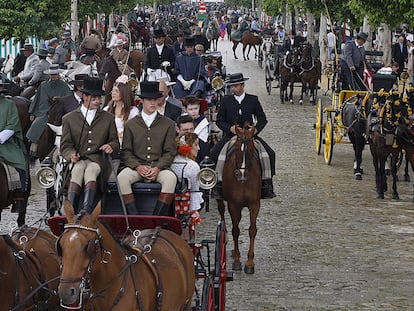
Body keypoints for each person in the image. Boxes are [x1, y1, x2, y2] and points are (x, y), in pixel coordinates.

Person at [209, 73, 276, 199]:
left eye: (235, 86)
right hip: (231, 136)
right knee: (214, 153)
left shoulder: (253, 99)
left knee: (270, 154)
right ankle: (217, 186)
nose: (232, 89)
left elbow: (262, 119)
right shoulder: (226, 100)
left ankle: (267, 184)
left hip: (250, 136)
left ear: (242, 85)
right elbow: (219, 120)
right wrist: (230, 128)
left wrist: (255, 130)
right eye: (231, 86)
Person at [117, 81, 177, 216]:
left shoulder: (168, 124)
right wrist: (138, 166)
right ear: (142, 101)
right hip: (137, 167)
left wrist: (157, 167)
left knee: (171, 179)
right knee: (122, 178)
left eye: (156, 99)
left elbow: (170, 151)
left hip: (159, 167)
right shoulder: (131, 124)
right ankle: (134, 217)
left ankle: (157, 218)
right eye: (149, 100)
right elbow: (126, 151)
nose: (153, 103)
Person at [61, 78, 120, 213]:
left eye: (99, 98)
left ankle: (86, 210)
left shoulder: (108, 118)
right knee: (76, 171)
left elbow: (115, 141)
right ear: (84, 96)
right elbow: (66, 145)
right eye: (94, 98)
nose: (98, 101)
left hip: (98, 159)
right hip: (79, 158)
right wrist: (71, 155)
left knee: (91, 171)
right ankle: (70, 210)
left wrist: (111, 146)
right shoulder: (69, 119)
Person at [26, 64, 72, 156]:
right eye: (52, 74)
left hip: (59, 112)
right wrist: (32, 112)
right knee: (36, 124)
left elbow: (68, 99)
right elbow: (37, 99)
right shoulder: (43, 85)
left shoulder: (64, 86)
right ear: (49, 75)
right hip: (43, 112)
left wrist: (59, 99)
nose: (54, 76)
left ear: (58, 75)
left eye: (55, 74)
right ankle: (33, 146)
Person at [0, 78, 29, 212]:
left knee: (20, 163)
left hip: (5, 144)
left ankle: (20, 196)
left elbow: (12, 124)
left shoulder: (9, 104)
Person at [170, 132, 203, 240]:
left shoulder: (171, 162)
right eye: (196, 145)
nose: (198, 148)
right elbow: (195, 190)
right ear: (188, 146)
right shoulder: (192, 166)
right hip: (184, 207)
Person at [103, 74, 139, 145]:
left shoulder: (133, 111)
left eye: (116, 91)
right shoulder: (106, 109)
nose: (113, 93)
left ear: (124, 93)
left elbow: (134, 131)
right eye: (112, 91)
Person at [182, 95, 209, 162]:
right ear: (185, 109)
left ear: (199, 107)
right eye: (190, 109)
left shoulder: (204, 122)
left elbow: (203, 139)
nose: (194, 111)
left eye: (196, 108)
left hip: (198, 146)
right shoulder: (182, 119)